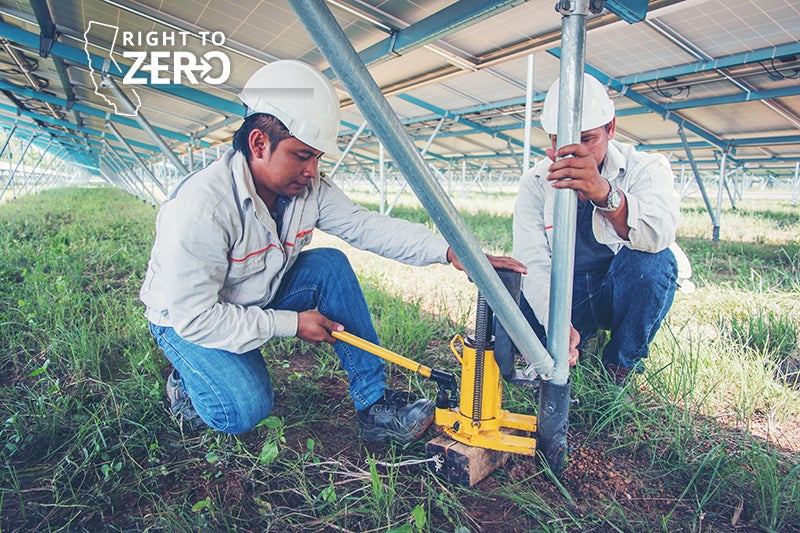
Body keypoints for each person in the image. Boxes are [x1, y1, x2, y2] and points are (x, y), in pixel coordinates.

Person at [140, 59, 525, 444]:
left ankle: (375, 405)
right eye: (302, 155)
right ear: (259, 143)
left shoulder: (310, 190)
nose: (312, 170)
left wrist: (450, 251)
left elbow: (366, 226)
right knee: (243, 408)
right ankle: (187, 380)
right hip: (189, 321)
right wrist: (291, 324)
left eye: (317, 158)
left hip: (256, 292)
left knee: (329, 266)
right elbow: (196, 317)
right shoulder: (202, 209)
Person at [512, 74, 680, 384]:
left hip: (615, 287)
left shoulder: (646, 168)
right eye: (558, 141)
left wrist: (605, 194)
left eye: (588, 139)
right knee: (507, 309)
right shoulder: (534, 183)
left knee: (655, 264)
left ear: (611, 128)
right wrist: (556, 324)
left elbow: (659, 234)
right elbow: (531, 261)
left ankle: (619, 368)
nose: (574, 152)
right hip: (566, 290)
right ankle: (576, 337)